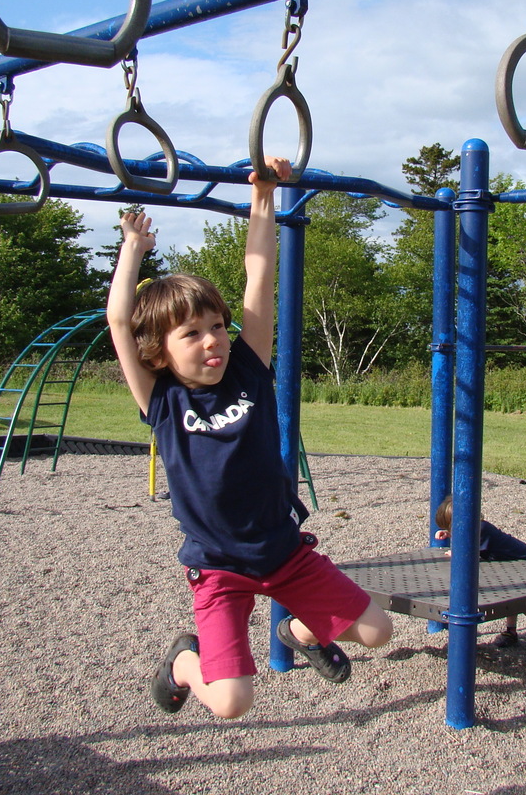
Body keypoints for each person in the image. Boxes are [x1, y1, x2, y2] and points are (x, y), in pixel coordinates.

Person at [106, 155, 393, 719]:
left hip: (283, 551)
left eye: (217, 326)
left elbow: (258, 277)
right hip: (219, 566)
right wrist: (132, 251)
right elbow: (119, 322)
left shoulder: (248, 368)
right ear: (160, 351)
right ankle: (182, 663)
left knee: (377, 630)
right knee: (232, 702)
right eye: (193, 334)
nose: (213, 340)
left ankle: (301, 635)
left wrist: (263, 197)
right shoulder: (161, 399)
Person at [433, 495, 526, 652]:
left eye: (450, 529)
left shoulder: (480, 529)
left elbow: (469, 553)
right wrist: (447, 534)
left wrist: (456, 552)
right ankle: (511, 631)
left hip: (520, 560)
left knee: (519, 600)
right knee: (511, 597)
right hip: (506, 562)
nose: (451, 533)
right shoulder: (472, 527)